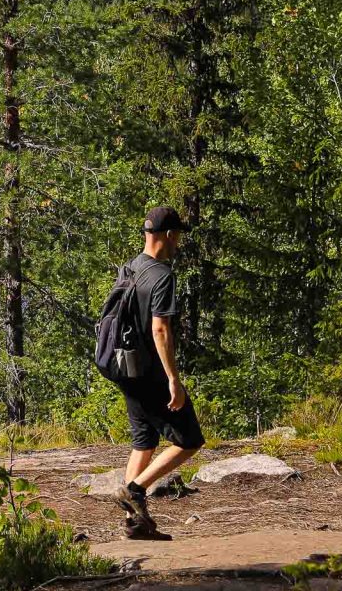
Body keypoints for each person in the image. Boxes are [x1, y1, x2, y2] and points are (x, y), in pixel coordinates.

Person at [111, 206, 204, 541]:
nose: (178, 241)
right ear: (167, 235)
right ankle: (135, 489)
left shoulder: (131, 267)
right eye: (177, 235)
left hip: (125, 367)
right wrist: (173, 380)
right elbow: (160, 330)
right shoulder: (162, 275)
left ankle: (135, 524)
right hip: (148, 371)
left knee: (144, 441)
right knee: (190, 440)